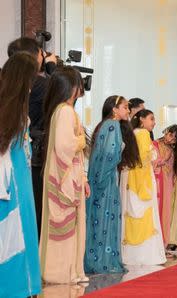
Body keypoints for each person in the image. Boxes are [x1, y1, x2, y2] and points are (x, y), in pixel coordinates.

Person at [40, 66, 90, 284]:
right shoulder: (65, 111)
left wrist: (84, 179)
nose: (80, 89)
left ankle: (69, 271)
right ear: (71, 87)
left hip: (71, 174)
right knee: (65, 228)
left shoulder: (62, 111)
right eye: (78, 84)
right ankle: (61, 272)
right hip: (65, 177)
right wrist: (81, 139)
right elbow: (65, 147)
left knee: (69, 227)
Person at [0, 52, 41, 297]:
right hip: (11, 184)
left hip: (20, 181)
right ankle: (17, 288)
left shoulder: (14, 107)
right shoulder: (10, 110)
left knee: (22, 233)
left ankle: (25, 287)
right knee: (14, 237)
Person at [7, 37, 57, 237]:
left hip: (23, 154)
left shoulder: (7, 84)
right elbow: (59, 106)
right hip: (29, 157)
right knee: (29, 212)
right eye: (41, 53)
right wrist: (52, 70)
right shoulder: (40, 84)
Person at [85, 96, 137, 273]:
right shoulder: (113, 125)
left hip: (100, 177)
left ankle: (95, 259)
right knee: (107, 218)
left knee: (98, 218)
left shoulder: (103, 125)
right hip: (106, 180)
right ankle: (104, 261)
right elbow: (109, 155)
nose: (128, 111)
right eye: (124, 107)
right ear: (115, 109)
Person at [120, 109, 166, 265]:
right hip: (142, 180)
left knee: (132, 216)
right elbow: (145, 158)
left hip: (131, 180)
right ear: (141, 119)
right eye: (151, 119)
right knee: (145, 216)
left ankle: (132, 256)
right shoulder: (143, 134)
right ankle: (145, 256)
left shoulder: (133, 133)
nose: (154, 122)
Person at [153, 127, 176, 246]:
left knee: (166, 212)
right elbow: (152, 163)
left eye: (175, 138)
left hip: (168, 185)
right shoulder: (154, 144)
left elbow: (173, 170)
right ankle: (156, 244)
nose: (172, 139)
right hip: (157, 183)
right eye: (170, 135)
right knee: (156, 211)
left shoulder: (173, 150)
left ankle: (164, 243)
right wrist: (163, 160)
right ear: (166, 132)